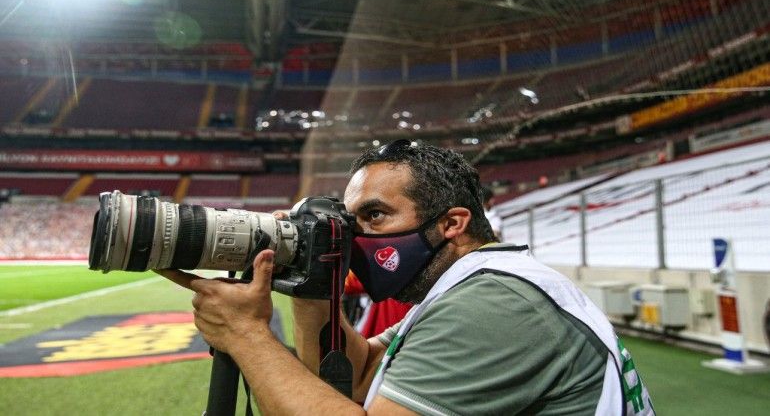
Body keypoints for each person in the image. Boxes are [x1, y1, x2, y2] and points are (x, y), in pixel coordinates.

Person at [158, 139, 654, 415]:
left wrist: (245, 335)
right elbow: (360, 376)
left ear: (451, 224)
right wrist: (313, 285)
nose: (355, 236)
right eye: (350, 220)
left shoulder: (494, 303)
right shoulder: (478, 284)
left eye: (374, 216)